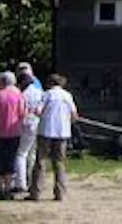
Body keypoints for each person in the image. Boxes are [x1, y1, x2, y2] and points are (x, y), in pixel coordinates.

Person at [28, 74, 78, 202]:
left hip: (46, 131)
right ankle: (60, 193)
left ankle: (36, 192)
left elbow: (38, 111)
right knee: (59, 163)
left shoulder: (46, 95)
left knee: (41, 161)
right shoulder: (67, 96)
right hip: (62, 133)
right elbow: (74, 115)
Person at [0, 71, 25, 200]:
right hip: (14, 132)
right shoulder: (18, 95)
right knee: (10, 160)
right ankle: (8, 189)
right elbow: (22, 113)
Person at [14, 72, 43, 194]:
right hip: (37, 123)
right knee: (32, 153)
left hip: (25, 123)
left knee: (21, 153)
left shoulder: (22, 94)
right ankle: (32, 180)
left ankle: (21, 183)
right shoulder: (39, 92)